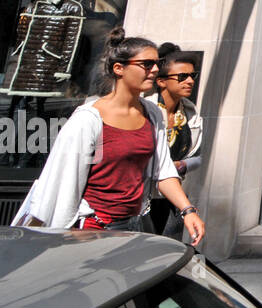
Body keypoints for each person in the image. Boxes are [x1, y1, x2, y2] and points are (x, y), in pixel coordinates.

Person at [12, 28, 206, 246]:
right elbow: (63, 182)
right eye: (146, 64)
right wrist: (64, 236)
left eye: (157, 64)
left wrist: (187, 210)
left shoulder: (152, 114)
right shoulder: (88, 119)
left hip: (135, 226)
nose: (154, 70)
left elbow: (163, 170)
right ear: (119, 68)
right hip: (90, 229)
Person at [144, 43, 204, 238]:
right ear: (161, 81)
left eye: (192, 76)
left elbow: (198, 156)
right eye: (182, 77)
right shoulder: (146, 109)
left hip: (172, 196)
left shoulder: (190, 112)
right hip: (142, 197)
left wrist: (182, 165)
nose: (189, 81)